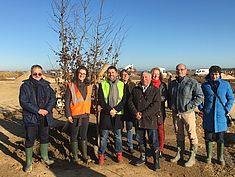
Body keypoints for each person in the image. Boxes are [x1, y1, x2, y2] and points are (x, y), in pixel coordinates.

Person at [19, 64, 56, 172]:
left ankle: (44, 157)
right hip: (31, 117)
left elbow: (52, 99)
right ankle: (28, 162)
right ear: (31, 73)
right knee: (30, 139)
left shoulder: (46, 85)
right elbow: (23, 101)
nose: (37, 75)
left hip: (45, 116)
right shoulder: (25, 86)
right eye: (35, 73)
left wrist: (47, 110)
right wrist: (38, 110)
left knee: (44, 137)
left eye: (39, 73)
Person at [168, 63, 203, 167]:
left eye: (182, 69)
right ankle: (180, 153)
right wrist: (171, 105)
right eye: (178, 69)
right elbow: (170, 96)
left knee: (192, 135)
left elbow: (200, 97)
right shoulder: (173, 83)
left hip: (188, 114)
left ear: (186, 70)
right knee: (178, 133)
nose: (180, 71)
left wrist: (189, 106)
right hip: (176, 113)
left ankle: (192, 156)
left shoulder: (192, 82)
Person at [200, 65, 234, 166]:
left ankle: (220, 158)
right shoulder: (205, 86)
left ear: (219, 74)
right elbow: (198, 96)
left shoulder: (226, 84)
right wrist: (202, 108)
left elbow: (231, 98)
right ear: (209, 74)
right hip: (208, 116)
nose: (214, 76)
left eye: (216, 74)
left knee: (220, 138)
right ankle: (208, 157)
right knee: (208, 137)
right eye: (212, 74)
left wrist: (227, 109)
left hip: (221, 116)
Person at [128, 71, 161, 171]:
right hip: (138, 120)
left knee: (153, 142)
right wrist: (135, 113)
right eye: (142, 77)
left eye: (146, 77)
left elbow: (156, 106)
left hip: (150, 121)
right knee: (140, 140)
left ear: (150, 78)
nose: (144, 79)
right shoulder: (135, 89)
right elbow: (130, 102)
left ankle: (156, 161)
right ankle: (143, 157)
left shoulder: (155, 90)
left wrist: (143, 114)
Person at [98, 66, 126, 165]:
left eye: (113, 72)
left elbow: (123, 100)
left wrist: (116, 109)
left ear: (116, 73)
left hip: (118, 114)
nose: (111, 74)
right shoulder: (102, 84)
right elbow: (101, 100)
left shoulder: (122, 84)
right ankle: (101, 154)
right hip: (106, 113)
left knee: (118, 136)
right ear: (107, 74)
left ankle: (119, 153)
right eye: (109, 72)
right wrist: (110, 110)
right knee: (104, 136)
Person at [65, 66, 92, 164]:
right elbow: (67, 101)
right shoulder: (71, 85)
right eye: (80, 73)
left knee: (84, 135)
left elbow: (88, 100)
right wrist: (68, 115)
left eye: (84, 74)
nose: (82, 75)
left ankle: (84, 155)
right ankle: (75, 156)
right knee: (74, 135)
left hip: (85, 114)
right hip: (75, 115)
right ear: (77, 73)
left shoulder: (88, 86)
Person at [151, 67, 168, 158]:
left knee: (160, 131)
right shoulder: (148, 83)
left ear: (160, 75)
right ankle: (153, 148)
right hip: (149, 112)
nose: (154, 75)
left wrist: (154, 99)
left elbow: (164, 97)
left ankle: (160, 149)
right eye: (153, 74)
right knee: (151, 131)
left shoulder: (162, 85)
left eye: (156, 74)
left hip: (159, 112)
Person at [120, 69, 136, 154]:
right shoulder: (118, 84)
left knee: (129, 128)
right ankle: (119, 145)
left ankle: (130, 146)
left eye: (126, 74)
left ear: (129, 75)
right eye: (122, 74)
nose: (124, 76)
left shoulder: (132, 85)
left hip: (129, 110)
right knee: (119, 128)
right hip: (120, 109)